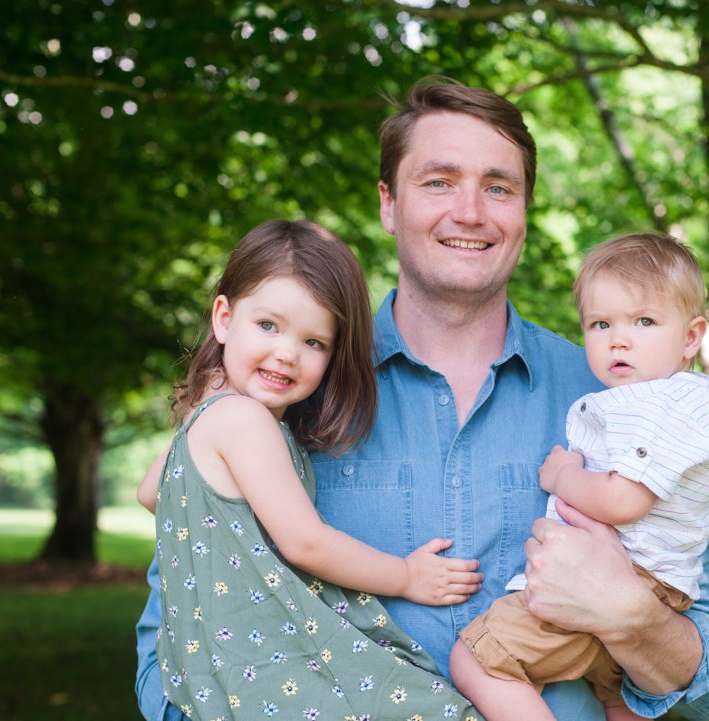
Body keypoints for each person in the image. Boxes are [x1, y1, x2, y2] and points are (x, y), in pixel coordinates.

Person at [136, 77, 709, 721]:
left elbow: (704, 684)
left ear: (524, 212)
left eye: (499, 187)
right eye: (438, 181)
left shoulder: (620, 396)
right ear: (388, 204)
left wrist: (629, 616)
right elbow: (180, 635)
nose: (471, 211)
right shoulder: (286, 391)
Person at [135, 219, 483, 720]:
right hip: (262, 673)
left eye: (314, 343)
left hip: (223, 669)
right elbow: (306, 542)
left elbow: (152, 493)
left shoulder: (214, 414)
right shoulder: (245, 421)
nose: (286, 353)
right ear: (224, 318)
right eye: (268, 326)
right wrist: (406, 576)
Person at [449, 232, 709, 721]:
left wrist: (562, 476)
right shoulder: (700, 405)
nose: (618, 339)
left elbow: (624, 502)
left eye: (644, 321)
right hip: (666, 588)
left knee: (476, 660)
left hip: (612, 584)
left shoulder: (656, 403)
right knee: (620, 696)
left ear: (691, 337)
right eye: (600, 324)